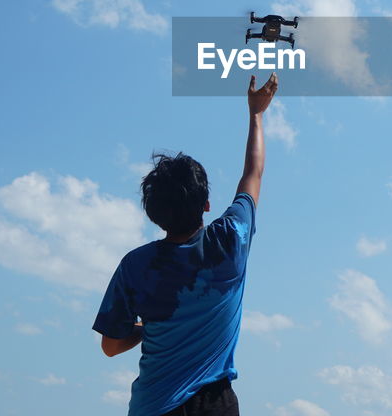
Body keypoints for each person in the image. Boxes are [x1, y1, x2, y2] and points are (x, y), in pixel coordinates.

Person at [93, 73, 279, 416]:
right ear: (206, 205)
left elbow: (111, 345)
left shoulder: (136, 265)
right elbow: (253, 174)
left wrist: (148, 326)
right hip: (214, 405)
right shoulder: (229, 240)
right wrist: (256, 115)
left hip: (153, 407)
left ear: (153, 213)